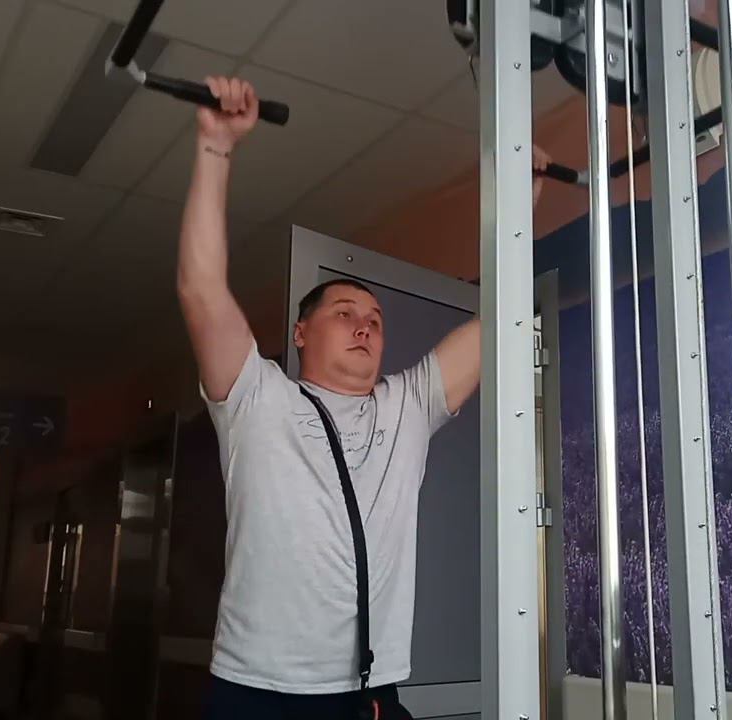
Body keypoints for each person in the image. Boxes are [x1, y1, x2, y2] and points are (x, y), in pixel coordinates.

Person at [178, 77, 549, 719]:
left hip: (366, 695)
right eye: (344, 313)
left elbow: (499, 319)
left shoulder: (406, 408)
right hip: (253, 691)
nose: (364, 327)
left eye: (375, 320)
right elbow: (201, 288)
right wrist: (215, 147)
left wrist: (517, 209)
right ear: (301, 332)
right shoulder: (256, 398)